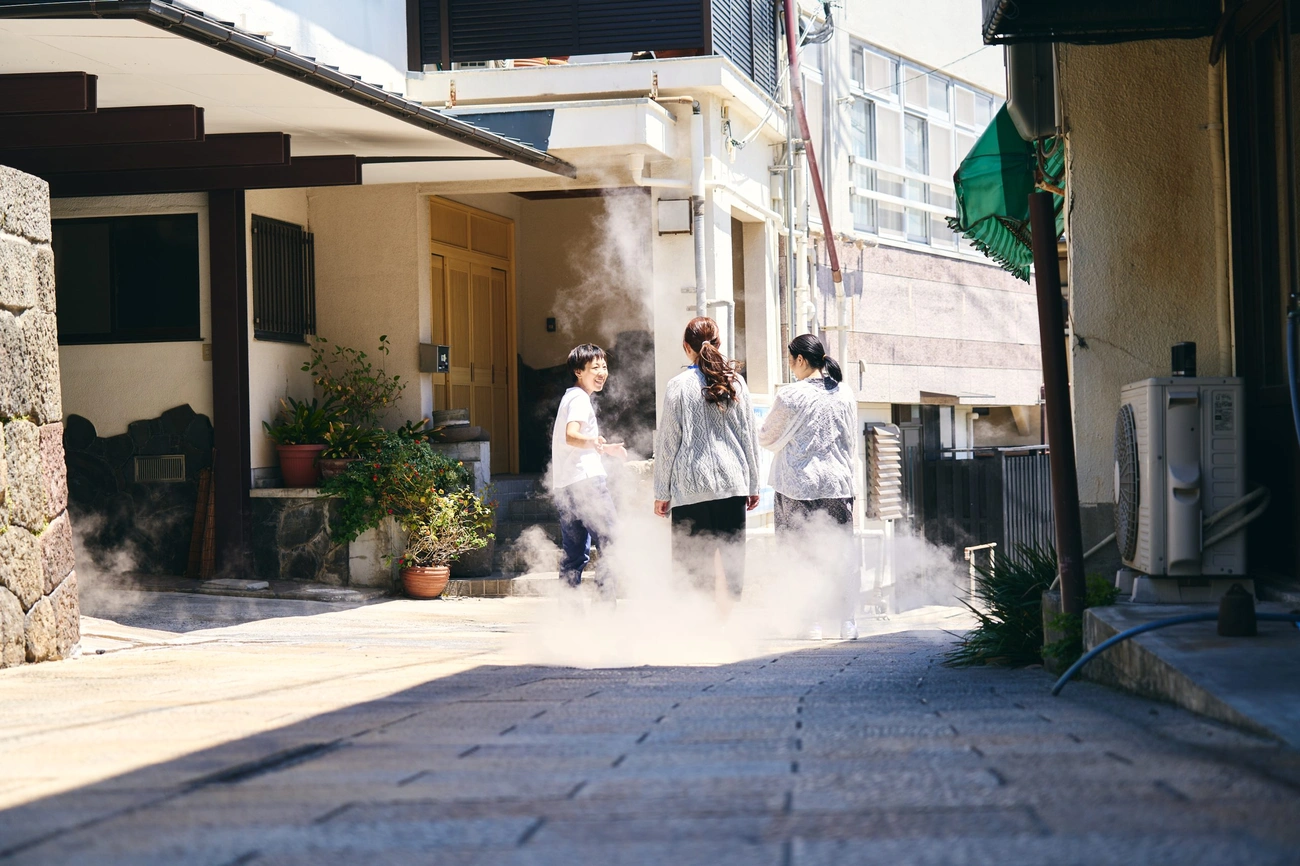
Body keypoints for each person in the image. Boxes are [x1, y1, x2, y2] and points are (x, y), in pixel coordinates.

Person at [653, 317, 760, 611]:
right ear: (719, 344)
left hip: (690, 487)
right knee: (732, 563)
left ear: (686, 347)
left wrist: (661, 492)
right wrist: (753, 484)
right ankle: (731, 629)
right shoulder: (736, 382)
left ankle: (696, 632)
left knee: (691, 568)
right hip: (733, 484)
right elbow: (749, 435)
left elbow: (668, 443)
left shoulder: (678, 386)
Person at [758, 334, 860, 640]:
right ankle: (847, 622)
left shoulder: (792, 395)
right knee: (840, 554)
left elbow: (766, 437)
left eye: (791, 361)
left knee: (799, 555)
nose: (791, 367)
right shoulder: (845, 394)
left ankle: (811, 622)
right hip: (838, 485)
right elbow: (850, 440)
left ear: (801, 360)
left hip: (798, 486)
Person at [551, 344, 627, 606]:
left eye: (604, 367)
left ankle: (570, 616)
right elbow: (571, 436)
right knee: (611, 541)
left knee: (574, 555)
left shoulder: (570, 397)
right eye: (595, 367)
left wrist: (603, 448)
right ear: (578, 371)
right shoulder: (580, 399)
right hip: (587, 484)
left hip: (567, 485)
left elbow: (574, 442)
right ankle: (606, 608)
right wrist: (593, 441)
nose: (602, 372)